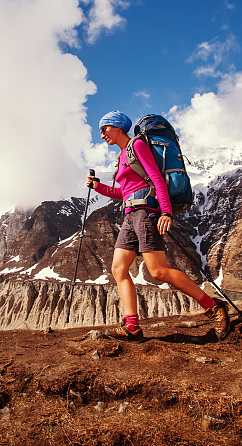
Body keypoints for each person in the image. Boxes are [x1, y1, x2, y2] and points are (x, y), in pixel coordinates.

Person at [88, 110, 230, 342]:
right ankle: (132, 325)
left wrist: (165, 212)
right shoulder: (123, 156)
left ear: (117, 127)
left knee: (158, 271)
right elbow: (122, 193)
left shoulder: (137, 146)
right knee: (119, 269)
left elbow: (156, 179)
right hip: (130, 215)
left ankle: (213, 307)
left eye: (104, 129)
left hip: (146, 213)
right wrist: (97, 186)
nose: (102, 134)